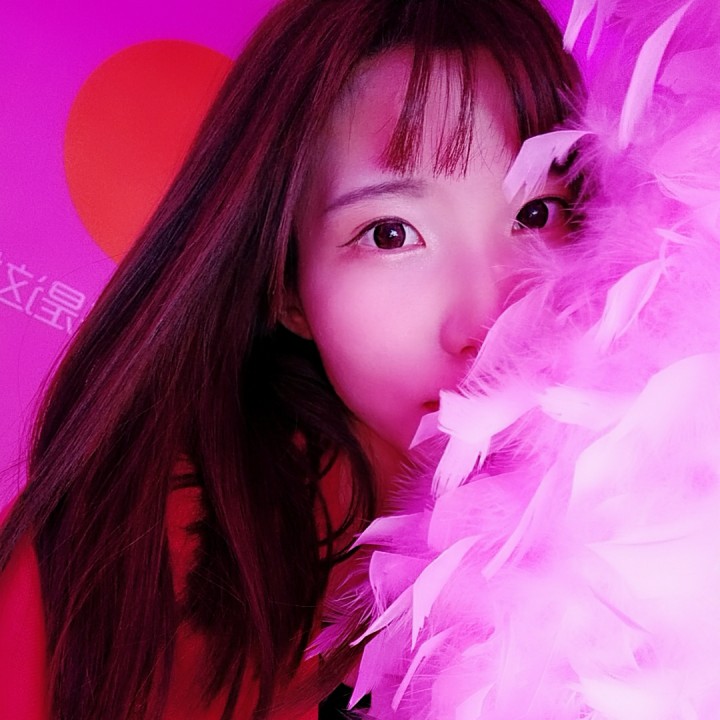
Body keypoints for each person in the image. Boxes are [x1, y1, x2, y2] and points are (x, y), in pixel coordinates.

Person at [0, 0, 583, 718]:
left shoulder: (669, 543)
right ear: (288, 289)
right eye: (391, 233)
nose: (486, 321)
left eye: (536, 214)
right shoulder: (119, 557)